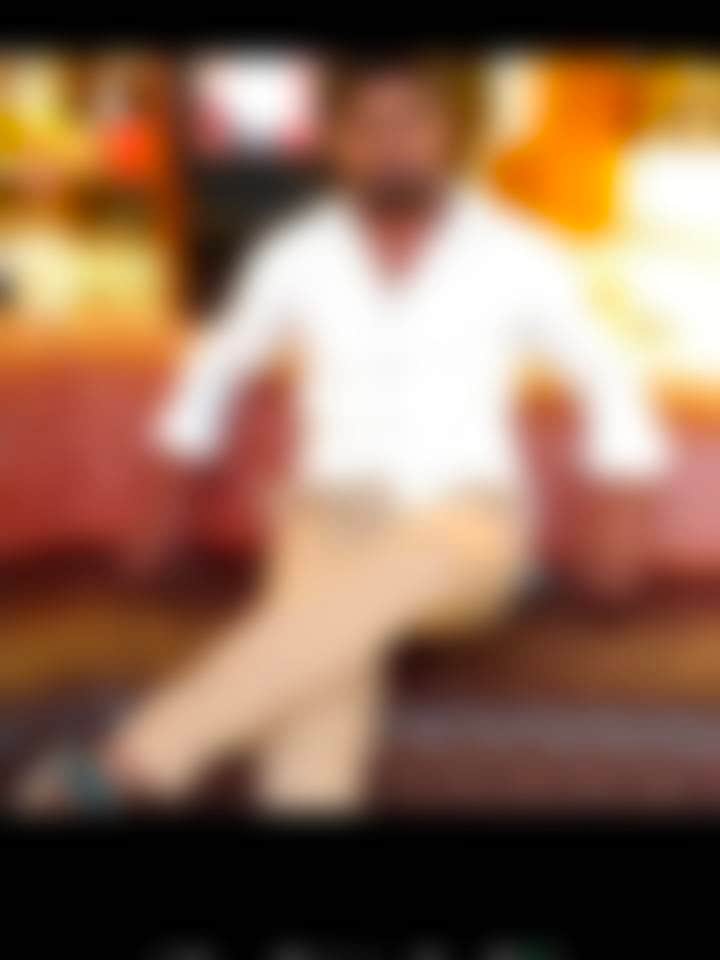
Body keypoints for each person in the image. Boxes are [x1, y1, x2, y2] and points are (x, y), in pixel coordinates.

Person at [16, 53, 670, 814]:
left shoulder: (521, 255)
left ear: (454, 131)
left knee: (381, 579)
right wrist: (162, 504)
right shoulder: (294, 255)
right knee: (322, 692)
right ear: (335, 141)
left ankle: (131, 761)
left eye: (412, 119)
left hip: (466, 520)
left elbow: (610, 380)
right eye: (366, 123)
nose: (390, 142)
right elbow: (217, 369)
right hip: (329, 516)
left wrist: (619, 519)